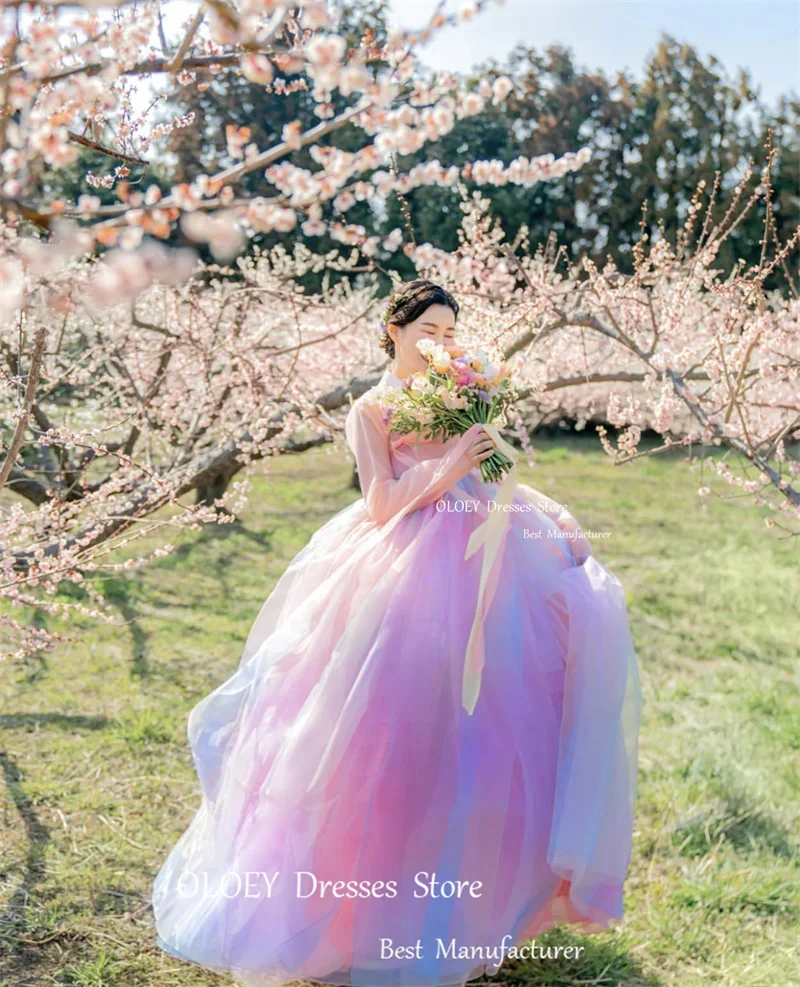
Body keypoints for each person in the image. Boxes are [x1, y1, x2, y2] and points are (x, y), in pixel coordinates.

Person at [152, 279, 643, 987]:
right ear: (395, 328)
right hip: (399, 566)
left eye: (450, 330)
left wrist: (547, 505)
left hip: (486, 561)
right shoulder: (371, 406)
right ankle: (363, 910)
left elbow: (493, 472)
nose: (440, 340)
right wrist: (447, 466)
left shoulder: (464, 390)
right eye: (428, 328)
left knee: (488, 728)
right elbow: (381, 502)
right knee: (384, 727)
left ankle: (469, 906)